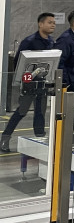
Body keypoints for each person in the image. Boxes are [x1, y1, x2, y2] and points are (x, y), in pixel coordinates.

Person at [1, 13, 57, 152]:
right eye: (49, 22)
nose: (53, 25)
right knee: (21, 111)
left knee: (40, 112)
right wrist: (25, 80)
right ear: (40, 24)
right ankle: (5, 138)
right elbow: (18, 62)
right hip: (29, 83)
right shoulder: (30, 41)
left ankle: (40, 140)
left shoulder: (51, 41)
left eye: (54, 22)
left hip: (43, 83)